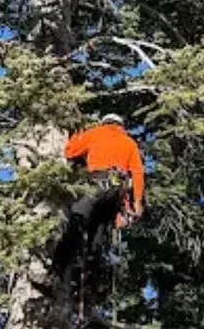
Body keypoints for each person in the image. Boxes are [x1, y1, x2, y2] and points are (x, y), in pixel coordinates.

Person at [53, 114, 145, 275]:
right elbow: (137, 172)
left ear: (104, 123)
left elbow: (70, 152)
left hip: (97, 184)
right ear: (121, 126)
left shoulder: (95, 133)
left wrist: (76, 134)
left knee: (76, 220)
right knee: (98, 233)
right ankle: (90, 275)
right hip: (116, 193)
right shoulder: (129, 142)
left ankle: (57, 271)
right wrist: (137, 201)